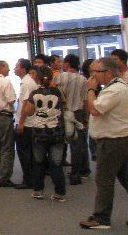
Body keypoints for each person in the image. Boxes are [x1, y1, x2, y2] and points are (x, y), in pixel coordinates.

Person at [79, 57, 128, 230]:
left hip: (114, 141)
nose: (93, 76)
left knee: (104, 179)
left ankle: (101, 218)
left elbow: (95, 110)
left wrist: (90, 90)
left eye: (96, 72)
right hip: (121, 139)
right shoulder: (118, 87)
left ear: (108, 72)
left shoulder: (115, 90)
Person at [20, 66, 66, 201]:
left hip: (39, 132)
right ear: (51, 78)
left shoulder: (34, 94)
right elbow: (64, 106)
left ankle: (38, 191)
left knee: (38, 162)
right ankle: (59, 193)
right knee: (56, 164)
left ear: (37, 78)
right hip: (56, 131)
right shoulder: (58, 92)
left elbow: (29, 111)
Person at [55, 54, 90, 185]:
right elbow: (85, 100)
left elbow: (57, 96)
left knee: (61, 141)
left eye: (64, 62)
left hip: (63, 113)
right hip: (78, 113)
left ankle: (57, 171)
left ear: (68, 63)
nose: (62, 65)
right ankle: (79, 172)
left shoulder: (60, 77)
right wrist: (86, 117)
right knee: (79, 144)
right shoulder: (83, 79)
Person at [14, 59, 39, 190]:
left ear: (23, 69)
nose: (14, 68)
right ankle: (30, 178)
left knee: (24, 152)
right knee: (28, 152)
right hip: (28, 122)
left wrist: (21, 122)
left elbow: (26, 104)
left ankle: (29, 179)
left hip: (27, 123)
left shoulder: (27, 83)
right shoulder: (27, 82)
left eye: (16, 66)